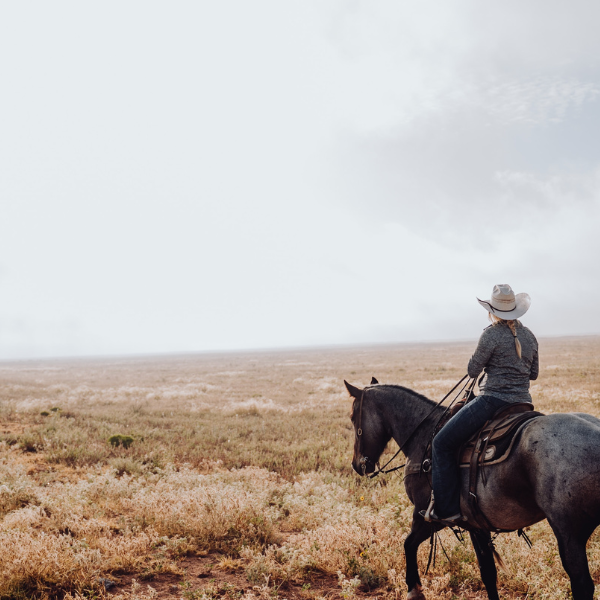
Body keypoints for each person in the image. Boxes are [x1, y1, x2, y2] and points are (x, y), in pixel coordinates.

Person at [427, 283, 539, 526]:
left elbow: (472, 370)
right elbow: (534, 374)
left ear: (492, 310)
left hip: (492, 401)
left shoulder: (490, 334)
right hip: (524, 405)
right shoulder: (530, 336)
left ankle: (446, 510)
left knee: (442, 443)